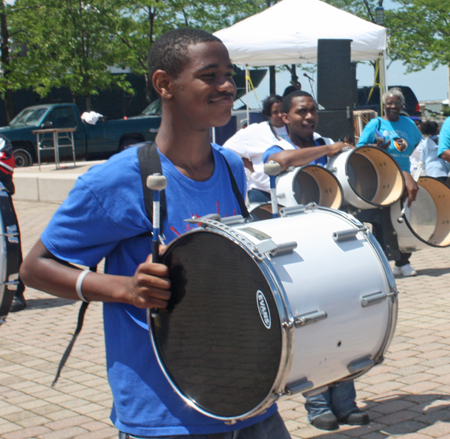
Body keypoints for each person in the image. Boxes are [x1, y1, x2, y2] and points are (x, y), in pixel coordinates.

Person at [20, 28, 291, 439]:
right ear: (165, 84)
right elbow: (35, 268)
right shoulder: (118, 179)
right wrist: (126, 288)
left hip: (250, 402)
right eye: (210, 75)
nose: (227, 86)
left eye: (230, 74)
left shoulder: (233, 168)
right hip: (166, 417)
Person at [263, 90, 369, 432]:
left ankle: (346, 403)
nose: (308, 117)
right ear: (284, 116)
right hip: (298, 251)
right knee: (315, 324)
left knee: (343, 319)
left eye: (313, 111)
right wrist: (328, 150)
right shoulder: (275, 147)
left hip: (331, 243)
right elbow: (279, 165)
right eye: (301, 112)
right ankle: (318, 404)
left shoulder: (328, 144)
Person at [357, 87, 422, 277]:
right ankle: (383, 262)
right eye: (389, 102)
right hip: (382, 178)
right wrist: (375, 146)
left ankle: (403, 262)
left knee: (402, 219)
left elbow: (417, 145)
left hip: (405, 176)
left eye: (396, 103)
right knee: (383, 221)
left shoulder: (409, 124)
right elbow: (361, 148)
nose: (393, 106)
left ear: (402, 105)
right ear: (383, 105)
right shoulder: (375, 124)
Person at [223, 94, 290, 203]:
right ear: (268, 114)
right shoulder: (255, 131)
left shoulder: (295, 129)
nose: (279, 115)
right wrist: (251, 167)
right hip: (262, 191)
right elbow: (227, 149)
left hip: (289, 192)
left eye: (282, 111)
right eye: (275, 112)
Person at [0, 134, 26, 312]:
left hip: (0, 200)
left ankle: (15, 291)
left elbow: (5, 164)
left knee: (9, 243)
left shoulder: (1, 140)